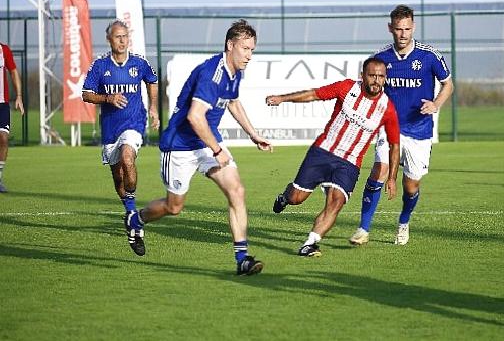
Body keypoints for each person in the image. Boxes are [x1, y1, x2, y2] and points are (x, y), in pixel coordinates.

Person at [128, 19, 272, 276]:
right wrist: (218, 150)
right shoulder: (211, 74)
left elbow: (233, 102)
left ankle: (242, 259)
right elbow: (195, 117)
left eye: (252, 50)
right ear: (230, 45)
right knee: (174, 207)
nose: (249, 55)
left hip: (206, 142)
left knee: (237, 191)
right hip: (180, 146)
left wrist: (253, 134)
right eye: (245, 49)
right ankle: (137, 219)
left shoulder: (236, 71)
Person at [267, 57, 401, 257]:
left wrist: (391, 177)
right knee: (296, 198)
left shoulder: (387, 108)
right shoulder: (346, 88)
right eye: (372, 75)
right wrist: (282, 98)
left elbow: (394, 145)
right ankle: (285, 196)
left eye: (381, 76)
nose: (376, 80)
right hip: (323, 152)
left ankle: (310, 243)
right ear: (362, 76)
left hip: (350, 163)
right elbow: (314, 94)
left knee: (336, 202)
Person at [349, 4, 454, 246]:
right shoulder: (381, 59)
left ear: (413, 27)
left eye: (407, 28)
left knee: (410, 186)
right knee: (380, 171)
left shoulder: (430, 56)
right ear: (390, 28)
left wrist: (436, 104)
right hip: (390, 129)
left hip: (420, 130)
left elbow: (448, 84)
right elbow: (368, 90)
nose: (403, 34)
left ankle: (404, 221)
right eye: (398, 29)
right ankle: (363, 228)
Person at [82, 19, 159, 219]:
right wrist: (108, 97)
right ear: (109, 39)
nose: (122, 41)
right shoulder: (99, 66)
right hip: (110, 128)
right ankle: (130, 211)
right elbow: (86, 94)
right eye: (118, 37)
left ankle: (133, 213)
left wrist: (153, 108)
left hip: (134, 122)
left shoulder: (139, 63)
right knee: (118, 177)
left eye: (125, 36)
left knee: (128, 157)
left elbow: (152, 81)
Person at [0, 42, 24, 193]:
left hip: (2, 104)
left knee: (3, 138)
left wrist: (19, 96)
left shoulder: (4, 49)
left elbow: (13, 72)